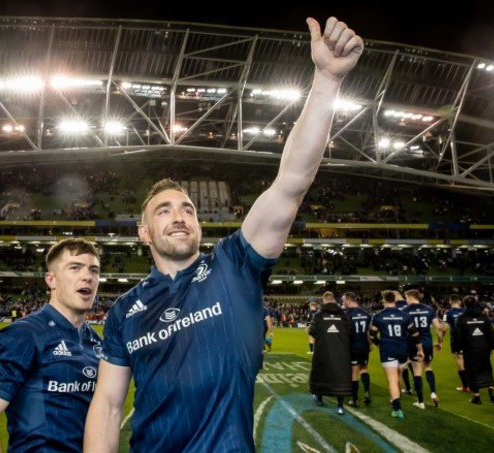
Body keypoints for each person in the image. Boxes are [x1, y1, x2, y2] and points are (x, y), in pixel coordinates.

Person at [83, 16, 364, 452]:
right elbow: (107, 404)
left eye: (187, 208)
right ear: (143, 232)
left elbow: (291, 181)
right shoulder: (124, 311)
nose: (179, 216)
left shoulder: (234, 264)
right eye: (164, 210)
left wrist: (326, 80)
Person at [0, 238, 103, 452]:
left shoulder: (97, 344)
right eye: (75, 268)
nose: (87, 277)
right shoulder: (24, 334)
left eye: (94, 270)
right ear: (51, 280)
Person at [369, 290, 424, 420]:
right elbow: (415, 334)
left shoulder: (378, 316)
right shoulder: (404, 315)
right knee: (397, 377)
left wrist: (379, 344)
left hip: (388, 349)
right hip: (402, 349)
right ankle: (395, 398)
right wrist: (420, 350)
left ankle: (397, 408)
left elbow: (372, 335)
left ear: (383, 300)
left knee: (392, 379)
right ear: (395, 300)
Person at [308, 291, 352, 415]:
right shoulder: (343, 315)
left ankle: (319, 398)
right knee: (340, 375)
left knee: (322, 372)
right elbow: (350, 331)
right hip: (341, 351)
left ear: (323, 301)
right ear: (333, 300)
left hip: (323, 349)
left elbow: (311, 331)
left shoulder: (318, 315)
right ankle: (340, 406)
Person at [402, 289, 444, 409]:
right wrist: (440, 342)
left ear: (410, 297)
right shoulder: (430, 309)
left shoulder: (405, 311)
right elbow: (439, 327)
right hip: (427, 342)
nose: (405, 300)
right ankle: (433, 392)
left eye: (406, 298)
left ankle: (420, 402)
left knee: (417, 371)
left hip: (413, 343)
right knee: (428, 367)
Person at [453, 295, 494, 405]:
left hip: (469, 349)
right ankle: (491, 390)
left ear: (464, 304)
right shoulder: (484, 318)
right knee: (487, 368)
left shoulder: (462, 318)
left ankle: (477, 397)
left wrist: (457, 349)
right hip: (484, 348)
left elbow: (457, 336)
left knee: (472, 372)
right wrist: (491, 347)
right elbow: (492, 335)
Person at [342, 291, 373, 407]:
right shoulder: (366, 314)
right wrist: (370, 344)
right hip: (364, 346)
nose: (343, 303)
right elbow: (368, 332)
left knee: (354, 372)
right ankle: (367, 391)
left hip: (353, 346)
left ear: (349, 301)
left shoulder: (346, 314)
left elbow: (345, 333)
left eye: (344, 300)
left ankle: (354, 399)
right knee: (364, 368)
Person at [443, 293, 469, 392]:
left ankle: (465, 386)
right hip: (468, 339)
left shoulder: (447, 312)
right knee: (468, 360)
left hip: (456, 339)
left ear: (450, 301)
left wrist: (440, 340)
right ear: (460, 302)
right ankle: (472, 383)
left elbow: (444, 327)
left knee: (459, 360)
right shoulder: (465, 311)